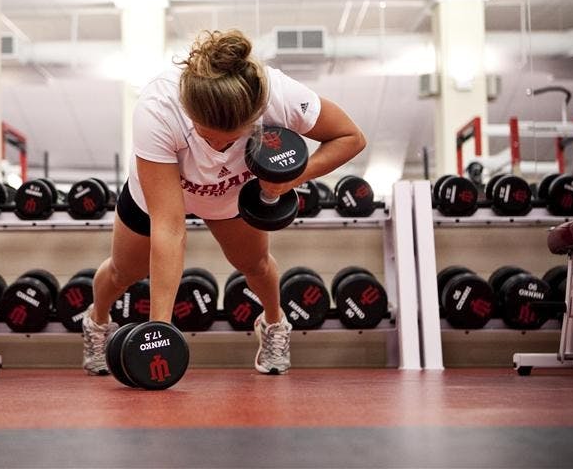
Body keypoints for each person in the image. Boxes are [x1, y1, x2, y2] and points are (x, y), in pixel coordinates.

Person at [82, 29, 366, 376]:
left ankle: (274, 324)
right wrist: (160, 332)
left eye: (229, 139)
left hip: (231, 194)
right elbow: (170, 228)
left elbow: (350, 137)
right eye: (205, 135)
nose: (216, 148)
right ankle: (97, 323)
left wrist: (290, 179)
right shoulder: (158, 108)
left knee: (257, 265)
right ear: (189, 110)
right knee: (123, 272)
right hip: (161, 189)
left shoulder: (278, 95)